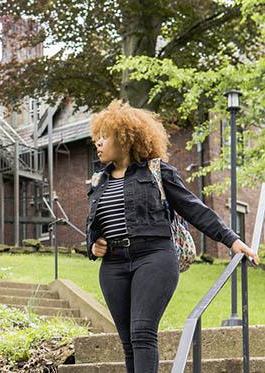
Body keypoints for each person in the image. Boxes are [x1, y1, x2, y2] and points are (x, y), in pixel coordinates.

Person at [86, 100, 259, 373]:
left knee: (142, 332)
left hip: (153, 257)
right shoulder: (99, 181)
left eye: (104, 137)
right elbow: (95, 227)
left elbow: (194, 209)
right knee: (129, 343)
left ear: (126, 138)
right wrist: (94, 245)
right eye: (96, 137)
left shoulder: (157, 171)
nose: (98, 143)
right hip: (114, 266)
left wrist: (233, 240)